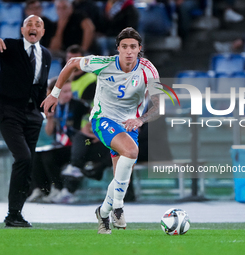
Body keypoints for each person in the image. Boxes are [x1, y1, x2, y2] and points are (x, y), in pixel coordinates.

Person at [41, 27, 162, 234]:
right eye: (124, 47)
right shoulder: (104, 64)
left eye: (133, 47)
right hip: (102, 119)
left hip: (128, 126)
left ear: (139, 49)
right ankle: (118, 208)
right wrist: (54, 94)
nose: (129, 51)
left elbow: (159, 106)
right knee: (132, 153)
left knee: (120, 179)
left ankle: (103, 212)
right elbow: (71, 63)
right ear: (118, 49)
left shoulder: (148, 69)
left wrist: (140, 120)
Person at [0, 15, 52, 228]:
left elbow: (40, 86)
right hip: (9, 111)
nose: (33, 27)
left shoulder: (45, 54)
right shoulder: (8, 46)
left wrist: (43, 109)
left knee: (27, 163)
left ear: (43, 32)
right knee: (23, 157)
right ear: (22, 29)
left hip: (33, 114)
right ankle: (13, 213)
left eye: (38, 25)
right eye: (29, 24)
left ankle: (16, 214)